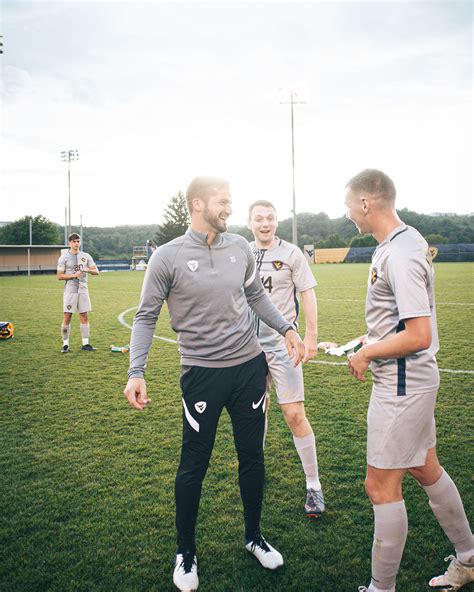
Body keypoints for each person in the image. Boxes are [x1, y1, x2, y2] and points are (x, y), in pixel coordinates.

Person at [123, 176, 304, 592]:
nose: (229, 209)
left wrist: (287, 329)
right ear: (198, 204)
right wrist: (136, 371)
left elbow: (256, 295)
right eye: (223, 202)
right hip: (202, 375)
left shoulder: (239, 246)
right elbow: (146, 316)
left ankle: (254, 537)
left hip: (248, 370)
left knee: (252, 457)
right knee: (194, 464)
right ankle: (186, 552)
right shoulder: (166, 258)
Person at [344, 169, 473, 592]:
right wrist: (371, 338)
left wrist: (367, 352)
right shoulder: (400, 243)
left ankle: (381, 588)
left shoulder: (399, 253)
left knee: (380, 485)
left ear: (366, 203)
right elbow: (402, 322)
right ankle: (470, 559)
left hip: (402, 384)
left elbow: (419, 333)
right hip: (411, 380)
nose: (348, 214)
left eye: (349, 205)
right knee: (424, 466)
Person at [247, 199, 325, 519]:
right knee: (254, 415)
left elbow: (307, 293)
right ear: (250, 222)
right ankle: (256, 472)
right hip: (247, 349)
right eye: (259, 218)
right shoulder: (241, 252)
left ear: (277, 221)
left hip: (283, 345)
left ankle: (314, 486)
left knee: (294, 414)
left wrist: (310, 337)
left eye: (270, 218)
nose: (265, 223)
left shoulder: (292, 253)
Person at [57, 232, 99, 353]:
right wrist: (73, 275)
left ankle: (85, 344)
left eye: (78, 241)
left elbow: (96, 271)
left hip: (83, 290)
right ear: (69, 243)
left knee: (84, 315)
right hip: (70, 290)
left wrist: (87, 269)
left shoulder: (86, 256)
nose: (76, 244)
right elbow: (59, 276)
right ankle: (65, 344)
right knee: (67, 316)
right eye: (74, 241)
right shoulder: (64, 257)